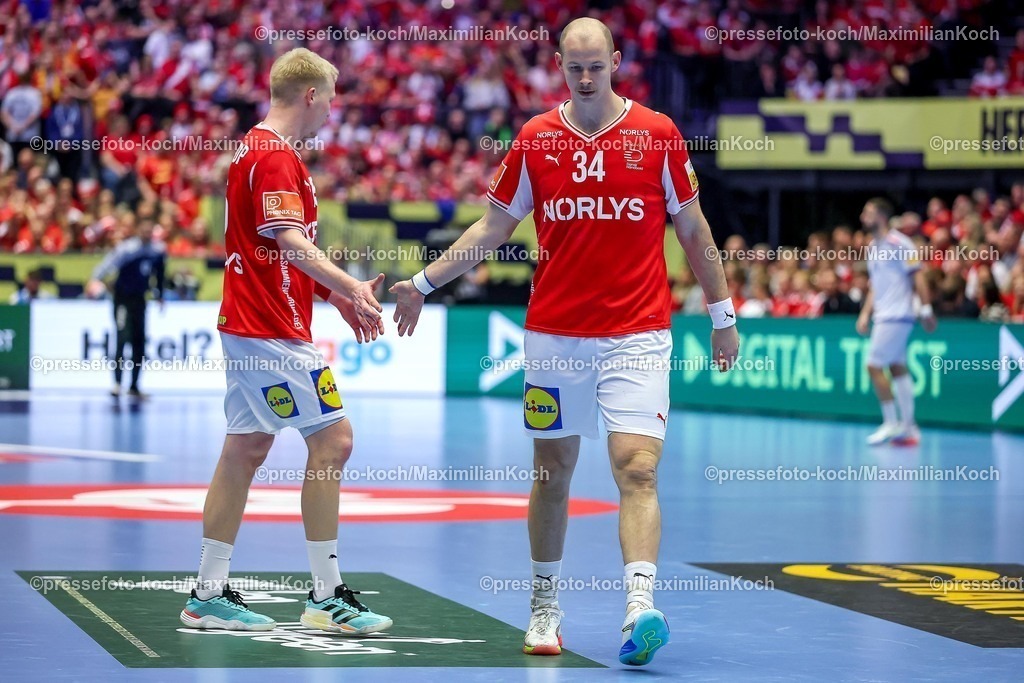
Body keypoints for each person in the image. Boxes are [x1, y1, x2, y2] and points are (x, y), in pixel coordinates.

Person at [390, 18, 739, 667]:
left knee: (637, 467)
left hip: (638, 333)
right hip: (554, 336)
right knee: (552, 473)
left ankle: (640, 608)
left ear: (616, 60)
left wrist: (722, 314)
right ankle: (545, 605)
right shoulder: (535, 138)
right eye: (574, 67)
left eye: (595, 67)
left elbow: (693, 229)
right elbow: (493, 228)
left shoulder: (658, 135)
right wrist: (422, 282)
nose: (584, 79)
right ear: (559, 63)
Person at [178, 48, 392, 635]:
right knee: (335, 440)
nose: (332, 111)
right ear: (311, 96)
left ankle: (206, 593)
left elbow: (274, 252)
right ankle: (326, 595)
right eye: (332, 98)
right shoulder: (274, 157)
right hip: (268, 331)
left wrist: (336, 299)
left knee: (243, 450)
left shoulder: (260, 151)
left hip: (254, 323)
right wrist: (352, 284)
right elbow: (292, 244)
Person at [856, 198, 937, 446]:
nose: (862, 216)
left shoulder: (901, 243)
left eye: (867, 212)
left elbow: (919, 278)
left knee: (873, 366)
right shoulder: (872, 247)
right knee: (896, 367)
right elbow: (875, 287)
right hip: (884, 314)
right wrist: (865, 313)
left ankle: (891, 423)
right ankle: (909, 427)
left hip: (898, 315)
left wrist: (926, 310)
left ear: (880, 217)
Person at [87, 219, 166, 398]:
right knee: (123, 338)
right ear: (138, 231)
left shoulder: (157, 250)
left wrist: (159, 295)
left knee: (139, 343)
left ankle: (134, 386)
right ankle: (116, 384)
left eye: (149, 230)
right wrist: (96, 279)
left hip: (140, 300)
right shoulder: (128, 249)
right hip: (122, 299)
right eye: (143, 230)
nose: (146, 234)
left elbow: (159, 274)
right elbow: (108, 264)